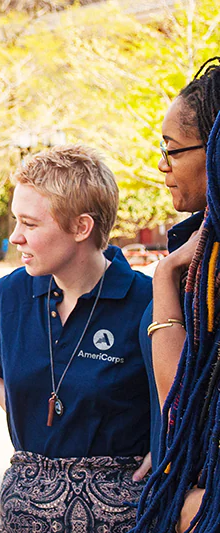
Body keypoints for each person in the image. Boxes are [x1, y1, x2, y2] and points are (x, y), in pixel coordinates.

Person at [0, 145, 153, 532]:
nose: (14, 237)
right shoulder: (10, 294)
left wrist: (167, 447)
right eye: (16, 221)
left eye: (29, 224)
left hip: (122, 519)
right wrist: (9, 400)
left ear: (81, 227)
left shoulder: (149, 302)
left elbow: (189, 393)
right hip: (24, 517)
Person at [134, 63, 220, 533]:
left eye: (172, 150)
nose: (162, 165)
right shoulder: (199, 244)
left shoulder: (197, 265)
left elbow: (181, 398)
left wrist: (163, 276)